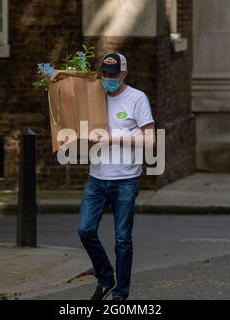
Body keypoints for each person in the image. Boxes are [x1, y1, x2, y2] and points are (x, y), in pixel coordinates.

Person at [77, 52, 156, 300]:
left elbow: (151, 140)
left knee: (122, 240)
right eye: (104, 75)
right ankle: (105, 278)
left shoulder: (137, 99)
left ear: (124, 74)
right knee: (85, 230)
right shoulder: (95, 98)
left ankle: (120, 295)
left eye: (113, 76)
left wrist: (113, 138)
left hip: (125, 180)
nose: (107, 80)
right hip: (97, 178)